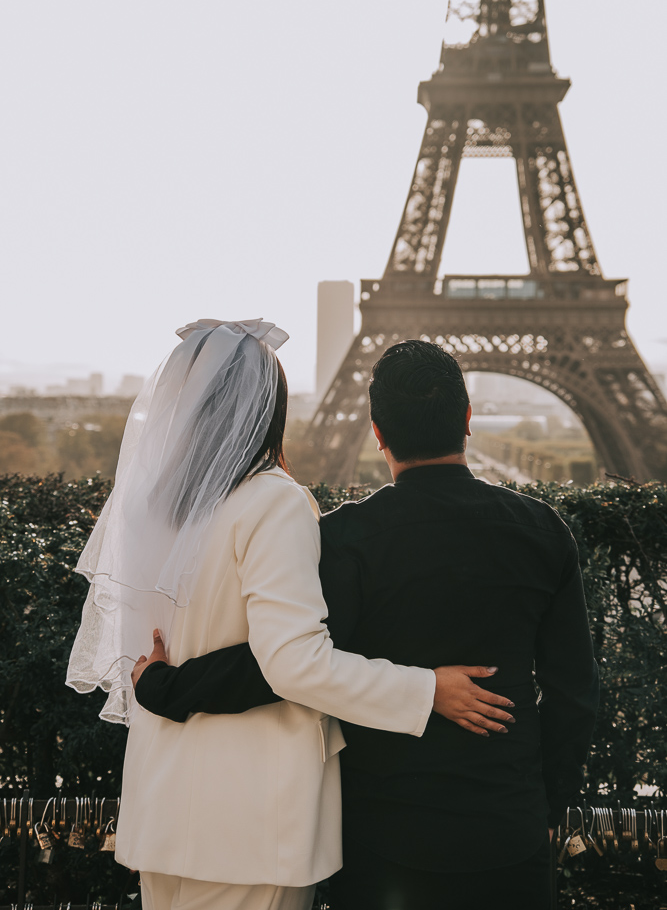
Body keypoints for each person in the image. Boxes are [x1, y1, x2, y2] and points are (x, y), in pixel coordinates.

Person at [134, 339, 600, 910]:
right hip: (509, 825)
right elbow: (574, 693)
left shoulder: (347, 539)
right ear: (469, 420)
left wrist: (166, 686)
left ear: (376, 432)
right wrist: (544, 808)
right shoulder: (543, 531)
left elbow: (280, 664)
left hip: (384, 837)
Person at [67, 321, 514, 910]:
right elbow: (294, 664)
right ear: (268, 410)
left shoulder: (156, 509)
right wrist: (425, 689)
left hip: (163, 806)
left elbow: (154, 655)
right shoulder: (273, 501)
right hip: (251, 820)